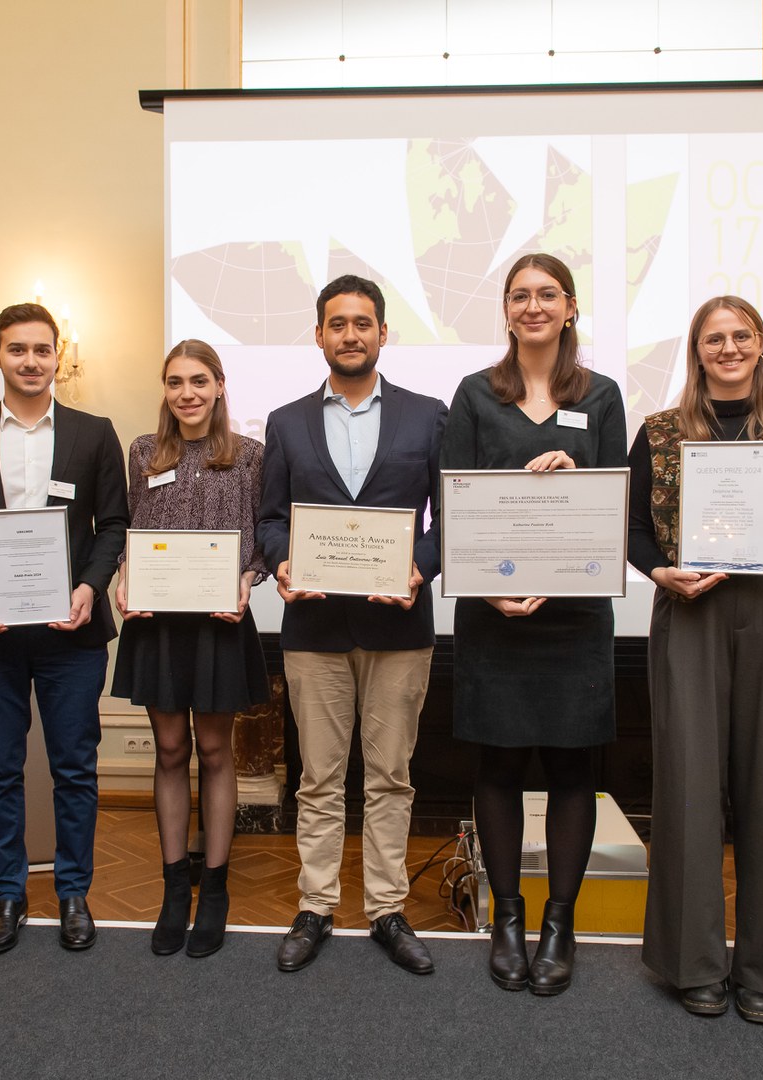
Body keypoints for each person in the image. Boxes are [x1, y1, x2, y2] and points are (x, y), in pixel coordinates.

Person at [626, 295, 763, 1024]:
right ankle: (694, 965)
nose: (729, 348)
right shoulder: (657, 433)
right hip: (691, 612)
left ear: (761, 344)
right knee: (686, 788)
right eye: (715, 338)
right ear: (696, 349)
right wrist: (659, 573)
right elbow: (632, 535)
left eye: (741, 335)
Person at [438, 252, 625, 997]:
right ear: (506, 310)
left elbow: (618, 506)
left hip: (576, 619)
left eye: (548, 294)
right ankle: (508, 919)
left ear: (570, 307)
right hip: (495, 617)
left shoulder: (602, 396)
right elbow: (450, 504)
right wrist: (487, 591)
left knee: (574, 768)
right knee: (501, 767)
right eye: (520, 295)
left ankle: (560, 923)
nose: (534, 306)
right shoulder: (476, 396)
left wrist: (580, 484)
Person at [257, 274, 447, 976]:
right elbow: (272, 520)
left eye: (363, 322)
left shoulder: (429, 416)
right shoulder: (285, 422)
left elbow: (446, 520)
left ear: (383, 333)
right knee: (318, 778)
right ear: (318, 335)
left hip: (401, 629)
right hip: (314, 630)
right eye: (337, 323)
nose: (351, 334)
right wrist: (280, 561)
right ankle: (316, 906)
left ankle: (387, 910)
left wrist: (419, 568)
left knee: (392, 777)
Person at [0, 303, 128, 955]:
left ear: (59, 357)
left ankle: (73, 892)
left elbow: (112, 525)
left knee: (74, 767)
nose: (30, 360)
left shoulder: (93, 432)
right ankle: (9, 895)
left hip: (71, 634)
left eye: (41, 350)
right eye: (16, 349)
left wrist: (88, 588)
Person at [111, 340, 269, 958]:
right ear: (164, 390)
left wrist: (247, 578)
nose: (187, 394)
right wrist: (125, 572)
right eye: (175, 382)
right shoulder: (144, 453)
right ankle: (175, 887)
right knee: (170, 749)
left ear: (221, 385)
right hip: (159, 625)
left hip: (219, 622)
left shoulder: (251, 456)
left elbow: (259, 537)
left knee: (214, 748)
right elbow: (133, 531)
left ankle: (217, 887)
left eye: (199, 381)